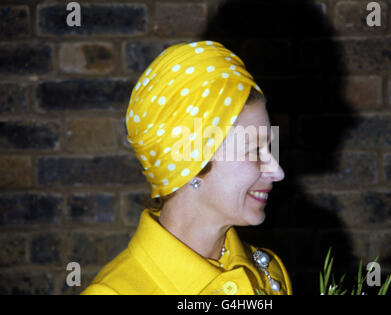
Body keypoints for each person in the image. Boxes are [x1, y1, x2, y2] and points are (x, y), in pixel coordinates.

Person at [81, 41, 292, 295]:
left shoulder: (269, 272)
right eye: (255, 151)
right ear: (190, 163)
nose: (277, 172)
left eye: (270, 148)